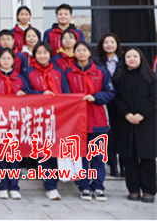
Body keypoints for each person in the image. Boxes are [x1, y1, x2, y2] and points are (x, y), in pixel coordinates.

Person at [64, 41, 115, 202]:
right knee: (81, 156)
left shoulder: (100, 71)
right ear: (74, 53)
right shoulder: (68, 73)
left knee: (98, 156)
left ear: (89, 52)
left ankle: (98, 186)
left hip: (98, 119)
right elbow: (64, 95)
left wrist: (96, 97)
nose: (81, 53)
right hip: (77, 122)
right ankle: (84, 186)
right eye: (78, 50)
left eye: (84, 50)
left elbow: (110, 92)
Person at [23, 42, 70, 200]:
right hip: (38, 117)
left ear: (50, 55)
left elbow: (66, 93)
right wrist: (41, 94)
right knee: (43, 152)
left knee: (56, 150)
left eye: (45, 53)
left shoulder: (58, 72)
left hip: (58, 116)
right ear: (34, 55)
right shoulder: (28, 72)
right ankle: (50, 186)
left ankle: (55, 179)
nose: (42, 56)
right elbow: (26, 92)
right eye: (39, 53)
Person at [111, 48, 156, 204]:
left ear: (141, 58)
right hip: (125, 121)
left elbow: (154, 98)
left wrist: (141, 114)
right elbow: (115, 99)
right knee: (129, 157)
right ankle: (133, 189)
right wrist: (127, 114)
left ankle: (149, 191)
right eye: (128, 56)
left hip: (146, 121)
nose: (131, 59)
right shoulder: (118, 78)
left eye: (135, 56)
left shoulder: (151, 77)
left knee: (147, 157)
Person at [0, 48, 29, 200]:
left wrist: (23, 95)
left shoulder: (20, 79)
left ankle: (14, 187)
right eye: (3, 58)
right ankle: (2, 187)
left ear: (13, 61)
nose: (6, 61)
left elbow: (29, 99)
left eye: (9, 58)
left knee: (13, 155)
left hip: (16, 122)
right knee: (0, 155)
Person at [94, 33, 125, 178]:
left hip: (122, 102)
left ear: (117, 44)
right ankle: (113, 165)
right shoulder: (97, 61)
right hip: (105, 102)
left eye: (112, 42)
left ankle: (124, 165)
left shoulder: (124, 60)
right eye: (106, 42)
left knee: (122, 133)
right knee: (109, 135)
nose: (109, 45)